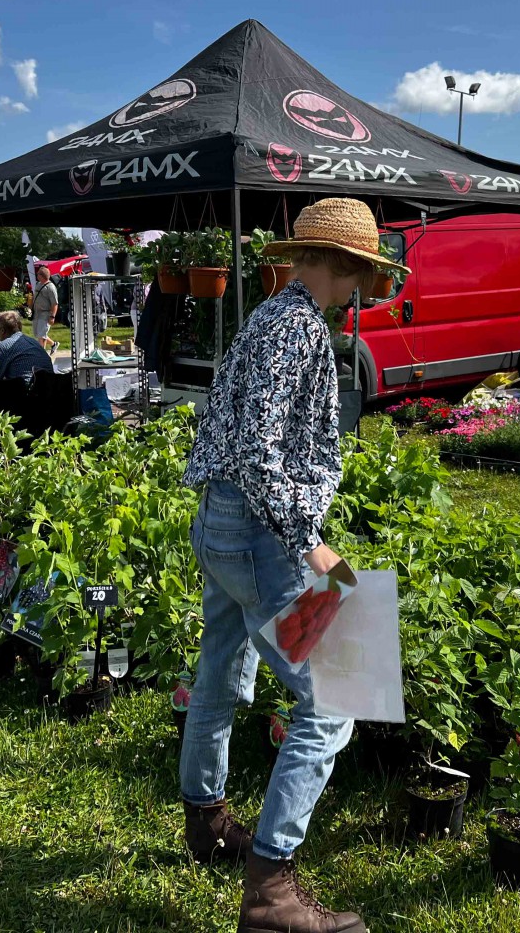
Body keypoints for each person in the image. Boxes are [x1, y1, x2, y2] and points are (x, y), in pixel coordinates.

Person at [181, 197, 405, 933]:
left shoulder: (270, 315)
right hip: (259, 534)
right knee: (338, 695)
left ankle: (207, 820)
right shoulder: (300, 330)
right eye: (361, 276)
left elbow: (235, 436)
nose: (361, 291)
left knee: (219, 673)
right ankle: (272, 894)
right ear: (342, 265)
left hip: (221, 522)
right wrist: (310, 542)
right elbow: (258, 450)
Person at [0, 310, 53, 380]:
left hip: (26, 389)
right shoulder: (34, 342)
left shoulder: (4, 347)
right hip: (50, 386)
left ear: (2, 330)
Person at [32, 264, 59, 352]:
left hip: (45, 314)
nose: (37, 275)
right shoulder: (38, 284)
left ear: (42, 276)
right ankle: (53, 344)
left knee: (41, 336)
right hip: (37, 313)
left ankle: (42, 357)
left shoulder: (50, 287)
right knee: (38, 334)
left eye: (38, 274)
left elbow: (55, 303)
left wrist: (52, 316)